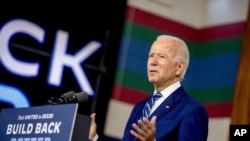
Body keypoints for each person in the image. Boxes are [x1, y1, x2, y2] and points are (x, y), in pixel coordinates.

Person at [89, 34, 209, 141]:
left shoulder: (192, 110)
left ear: (179, 68)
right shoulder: (140, 107)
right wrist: (94, 138)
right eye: (151, 55)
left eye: (162, 56)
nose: (153, 61)